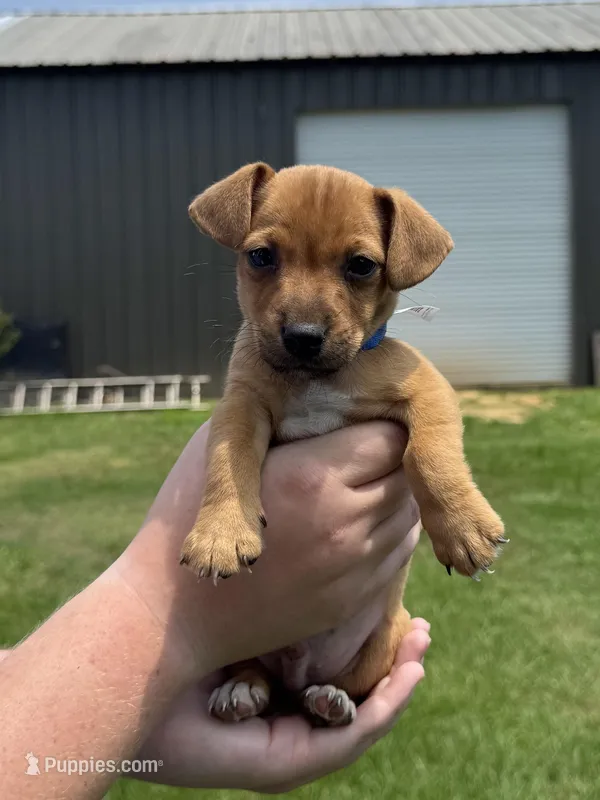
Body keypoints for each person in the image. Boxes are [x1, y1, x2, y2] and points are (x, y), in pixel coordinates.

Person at [0, 419, 431, 798]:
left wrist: (139, 727)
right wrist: (165, 611)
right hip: (258, 645)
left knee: (390, 636)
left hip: (349, 658)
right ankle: (252, 676)